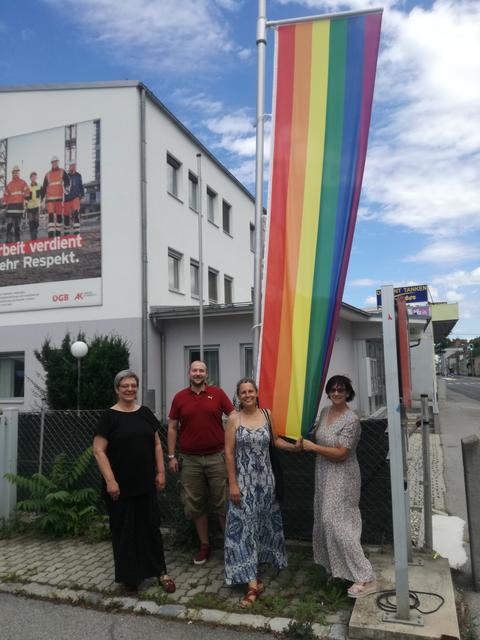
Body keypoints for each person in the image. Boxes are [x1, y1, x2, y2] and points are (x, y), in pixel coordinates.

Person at [93, 369, 175, 595]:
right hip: (120, 487)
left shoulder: (145, 413)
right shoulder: (109, 417)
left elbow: (157, 444)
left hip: (145, 483)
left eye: (133, 385)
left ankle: (161, 572)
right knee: (125, 531)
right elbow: (99, 451)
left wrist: (160, 472)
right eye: (124, 386)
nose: (129, 389)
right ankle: (131, 578)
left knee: (150, 527)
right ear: (117, 389)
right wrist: (110, 481)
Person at [224, 377, 302, 608]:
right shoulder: (233, 419)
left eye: (251, 391)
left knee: (260, 527)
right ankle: (250, 583)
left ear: (257, 394)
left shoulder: (267, 415)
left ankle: (255, 573)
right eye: (243, 392)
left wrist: (295, 447)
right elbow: (228, 453)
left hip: (266, 482)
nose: (247, 395)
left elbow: (276, 441)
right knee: (244, 529)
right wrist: (233, 484)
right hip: (244, 483)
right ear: (238, 396)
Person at [302, 375, 376, 598]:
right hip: (324, 473)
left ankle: (366, 576)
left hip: (343, 475)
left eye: (341, 390)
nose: (336, 393)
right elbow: (318, 438)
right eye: (333, 390)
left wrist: (313, 447)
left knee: (336, 522)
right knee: (323, 520)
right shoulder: (325, 412)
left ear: (348, 393)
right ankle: (336, 570)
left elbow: (341, 453)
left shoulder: (351, 420)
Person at [167, 360, 235, 565]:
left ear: (207, 374)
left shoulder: (218, 394)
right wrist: (171, 457)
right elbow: (172, 427)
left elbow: (233, 416)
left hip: (217, 457)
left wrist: (232, 443)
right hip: (189, 460)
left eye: (201, 370)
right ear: (189, 374)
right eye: (194, 370)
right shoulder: (179, 397)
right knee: (195, 505)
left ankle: (231, 547)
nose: (198, 373)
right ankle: (204, 545)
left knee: (223, 503)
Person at [41, 155, 70, 238]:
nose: (54, 163)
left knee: (59, 216)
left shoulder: (62, 171)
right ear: (51, 163)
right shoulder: (47, 174)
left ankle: (57, 234)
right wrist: (42, 200)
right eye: (53, 162)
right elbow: (43, 188)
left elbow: (67, 181)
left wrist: (67, 188)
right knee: (50, 216)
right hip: (50, 200)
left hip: (59, 198)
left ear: (58, 162)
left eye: (56, 162)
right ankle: (50, 235)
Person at [2, 165, 29, 243]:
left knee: (17, 225)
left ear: (19, 173)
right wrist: (4, 206)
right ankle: (8, 240)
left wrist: (26, 200)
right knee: (9, 224)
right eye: (14, 172)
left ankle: (17, 240)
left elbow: (27, 191)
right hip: (10, 208)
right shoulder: (9, 184)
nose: (16, 174)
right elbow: (5, 196)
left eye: (17, 172)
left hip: (19, 207)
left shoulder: (23, 182)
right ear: (12, 174)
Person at [63, 162, 84, 235]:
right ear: (69, 167)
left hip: (76, 197)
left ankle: (76, 232)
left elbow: (81, 186)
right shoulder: (66, 176)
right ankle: (66, 232)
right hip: (67, 199)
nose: (73, 167)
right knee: (66, 216)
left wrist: (83, 195)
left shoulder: (79, 176)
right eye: (71, 166)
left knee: (76, 213)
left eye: (74, 165)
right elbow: (63, 188)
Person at [26, 172, 41, 240]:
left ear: (36, 178)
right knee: (31, 223)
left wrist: (43, 202)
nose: (34, 178)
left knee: (36, 222)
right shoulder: (28, 187)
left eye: (35, 177)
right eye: (32, 177)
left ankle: (35, 234)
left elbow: (43, 195)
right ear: (30, 178)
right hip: (29, 207)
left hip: (37, 207)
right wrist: (25, 205)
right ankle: (33, 238)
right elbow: (25, 198)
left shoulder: (40, 186)